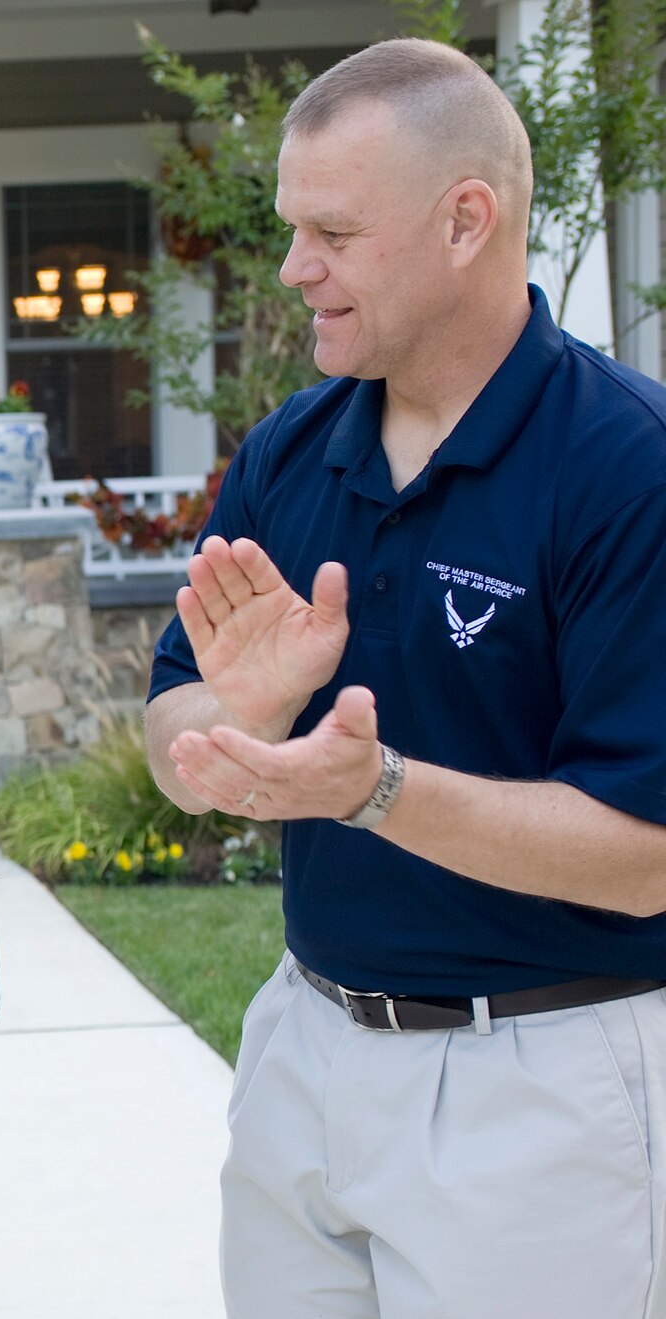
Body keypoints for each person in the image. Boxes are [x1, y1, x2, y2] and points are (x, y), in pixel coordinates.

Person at [144, 39, 666, 1317]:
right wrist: (240, 719)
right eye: (290, 227)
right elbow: (171, 729)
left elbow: (643, 852)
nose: (289, 269)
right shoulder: (289, 447)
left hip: (536, 1079)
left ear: (463, 220)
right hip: (302, 1045)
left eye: (330, 230)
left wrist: (370, 789)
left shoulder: (624, 467)